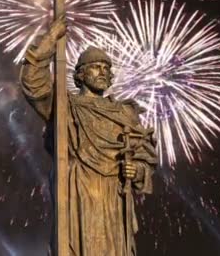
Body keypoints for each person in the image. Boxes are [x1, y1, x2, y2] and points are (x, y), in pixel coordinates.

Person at [20, 15, 157, 255]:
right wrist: (51, 38)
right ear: (80, 75)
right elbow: (33, 83)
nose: (103, 72)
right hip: (79, 192)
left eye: (107, 68)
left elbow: (145, 157)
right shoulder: (65, 105)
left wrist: (138, 171)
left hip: (114, 197)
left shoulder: (125, 113)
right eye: (96, 67)